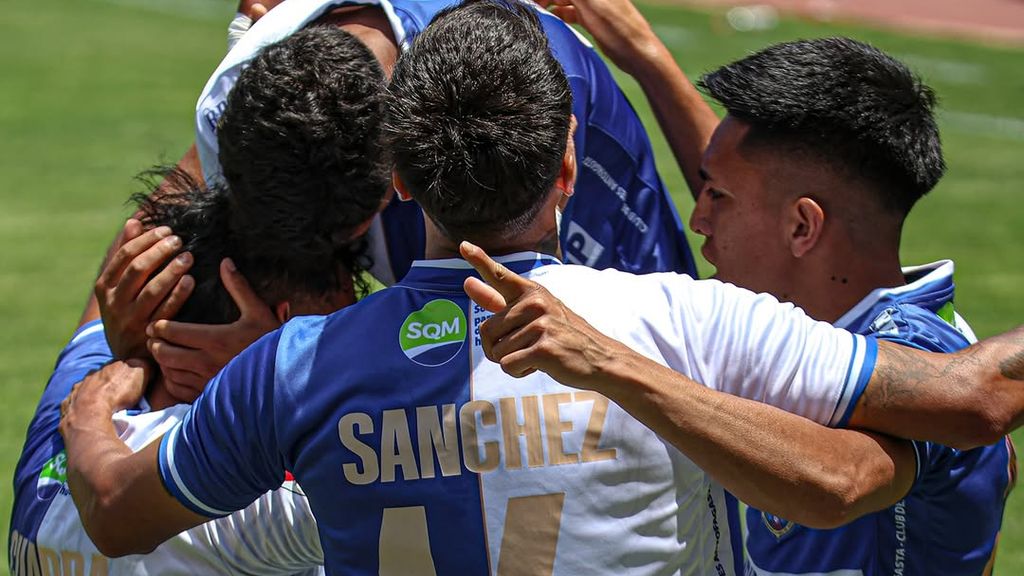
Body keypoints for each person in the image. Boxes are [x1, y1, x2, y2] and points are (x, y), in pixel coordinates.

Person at [58, 1, 1024, 573]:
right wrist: (619, 366)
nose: (698, 218)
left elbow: (112, 511)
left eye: (717, 196)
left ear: (400, 181)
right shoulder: (685, 325)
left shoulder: (299, 368)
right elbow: (874, 451)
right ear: (568, 165)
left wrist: (97, 384)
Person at [535, 2, 1014, 571]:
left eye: (717, 197)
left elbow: (839, 480)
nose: (698, 219)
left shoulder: (917, 360)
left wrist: (610, 363)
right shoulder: (839, 318)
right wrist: (647, 58)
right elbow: (762, 194)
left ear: (803, 228)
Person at [9, 172, 340, 575]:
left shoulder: (69, 408)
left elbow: (113, 303)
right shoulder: (257, 499)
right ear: (286, 319)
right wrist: (270, 365)